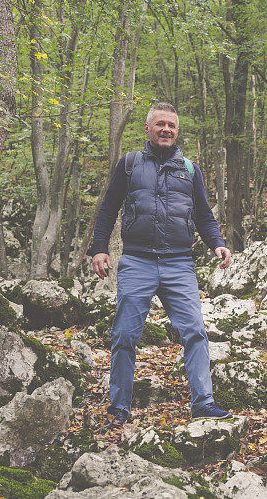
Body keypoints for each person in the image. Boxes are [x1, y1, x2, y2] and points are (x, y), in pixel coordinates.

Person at [90, 102, 233, 429]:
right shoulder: (129, 165)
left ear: (177, 131)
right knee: (125, 335)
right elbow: (108, 209)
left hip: (179, 264)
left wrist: (218, 244)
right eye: (160, 124)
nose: (166, 129)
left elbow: (204, 217)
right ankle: (118, 410)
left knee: (195, 331)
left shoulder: (190, 169)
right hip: (137, 261)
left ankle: (203, 403)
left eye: (171, 125)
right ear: (148, 128)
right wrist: (99, 249)